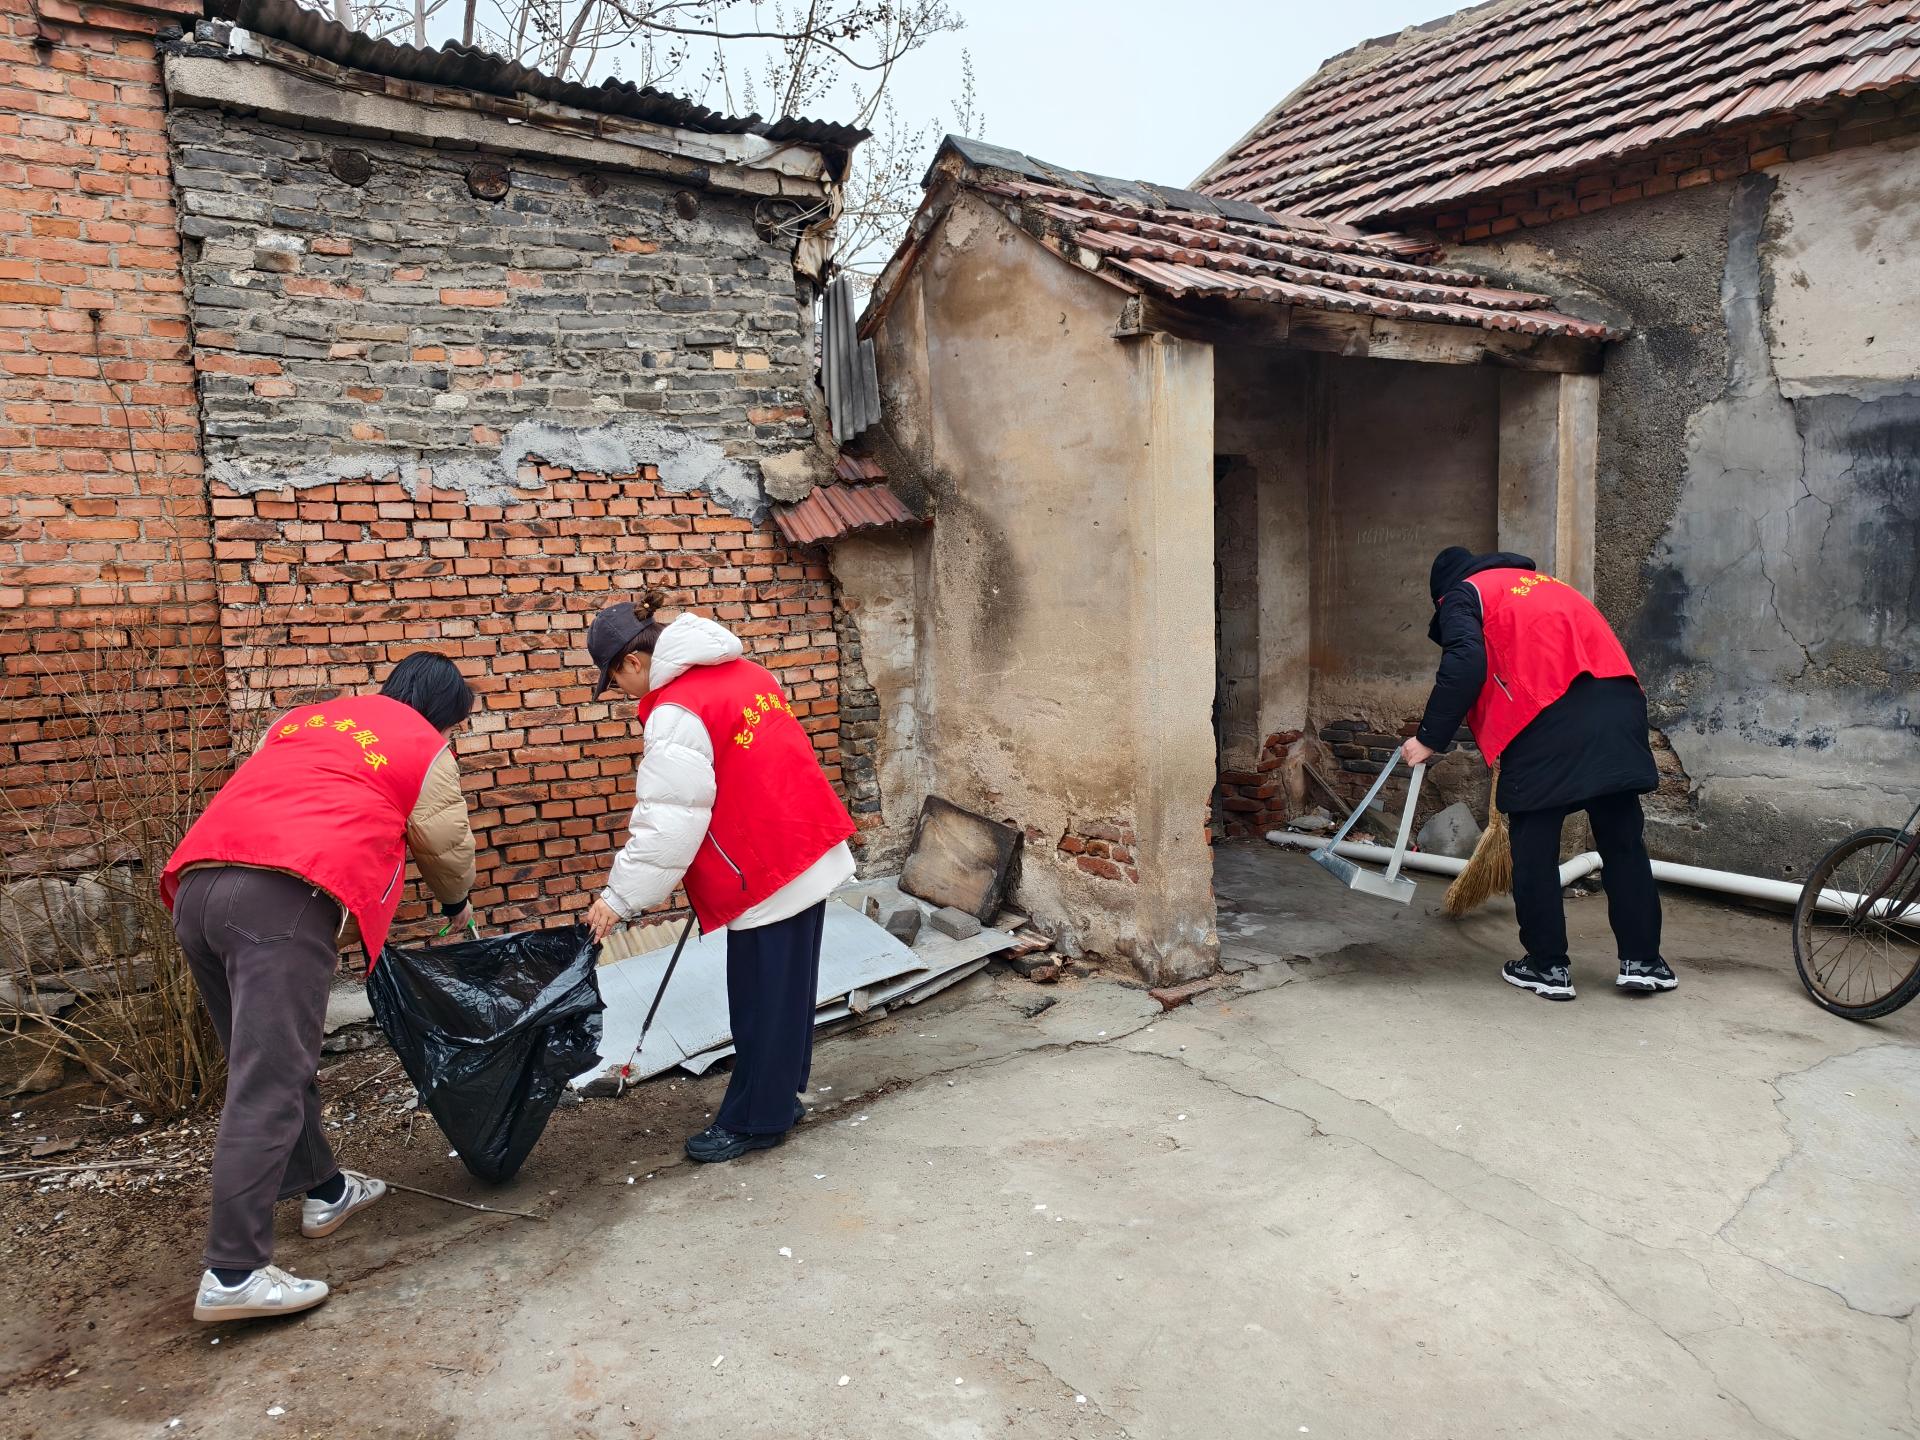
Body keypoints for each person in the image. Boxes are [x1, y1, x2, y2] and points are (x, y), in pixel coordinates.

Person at [160, 652, 478, 1321]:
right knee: (268, 1080)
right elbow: (444, 843)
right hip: (279, 899)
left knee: (269, 1062)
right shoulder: (423, 746)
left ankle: (324, 1191)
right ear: (446, 716)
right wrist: (457, 904)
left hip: (197, 888)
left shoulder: (306, 721)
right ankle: (234, 1273)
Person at [584, 591, 856, 1163]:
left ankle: (757, 1120)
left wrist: (619, 898)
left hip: (767, 868)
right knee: (787, 991)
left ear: (632, 661)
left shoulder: (676, 711)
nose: (623, 693)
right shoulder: (746, 673)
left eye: (616, 680)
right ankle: (779, 1097)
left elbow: (669, 819)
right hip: (804, 845)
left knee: (761, 999)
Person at [1402, 548, 1676, 1002]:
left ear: (1440, 595)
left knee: (1534, 848)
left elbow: (1465, 661)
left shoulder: (1463, 594)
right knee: (1623, 842)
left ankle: (1547, 966)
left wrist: (1429, 738)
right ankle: (1644, 962)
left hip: (1547, 716)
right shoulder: (1546, 585)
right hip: (1618, 709)